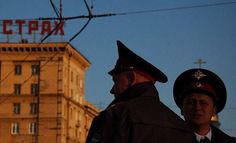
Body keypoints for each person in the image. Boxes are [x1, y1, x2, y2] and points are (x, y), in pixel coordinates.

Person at [86, 40, 195, 143]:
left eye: (116, 81)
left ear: (130, 78)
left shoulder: (115, 116)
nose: (112, 90)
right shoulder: (182, 127)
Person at [173, 68, 236, 143]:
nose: (197, 108)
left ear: (214, 110)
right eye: (191, 102)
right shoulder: (167, 139)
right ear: (182, 108)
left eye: (203, 103)